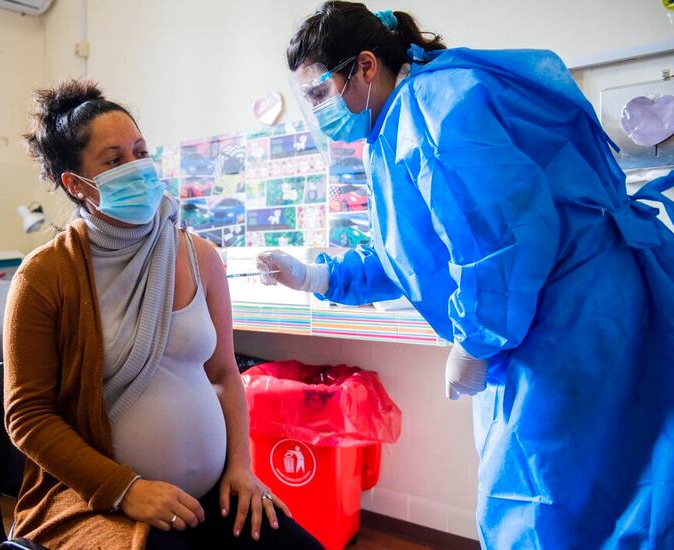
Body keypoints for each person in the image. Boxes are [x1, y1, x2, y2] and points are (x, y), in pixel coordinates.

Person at [258, 2, 674, 548]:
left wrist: (477, 339)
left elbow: (503, 239)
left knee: (554, 502)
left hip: (571, 315)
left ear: (364, 66)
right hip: (558, 309)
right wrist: (317, 276)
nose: (316, 112)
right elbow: (416, 255)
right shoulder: (399, 124)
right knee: (601, 490)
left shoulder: (430, 108)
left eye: (317, 94)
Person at [5, 79, 322, 550]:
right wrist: (124, 489)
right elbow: (28, 416)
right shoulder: (45, 275)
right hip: (104, 499)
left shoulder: (200, 256)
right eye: (113, 161)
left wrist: (240, 466)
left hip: (215, 492)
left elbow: (224, 374)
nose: (137, 169)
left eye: (139, 150)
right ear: (77, 185)